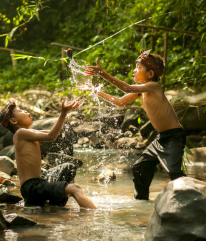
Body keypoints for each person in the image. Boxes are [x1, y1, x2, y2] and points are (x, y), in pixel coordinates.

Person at [80, 50, 186, 200]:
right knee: (139, 168)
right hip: (161, 138)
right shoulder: (140, 91)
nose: (134, 71)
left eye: (138, 68)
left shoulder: (154, 87)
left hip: (174, 137)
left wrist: (103, 74)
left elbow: (126, 88)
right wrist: (96, 91)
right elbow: (119, 101)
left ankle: (189, 199)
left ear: (150, 74)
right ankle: (142, 202)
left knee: (174, 172)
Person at [0, 99, 97, 209]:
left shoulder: (27, 133)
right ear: (13, 120)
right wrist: (63, 113)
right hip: (31, 188)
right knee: (76, 188)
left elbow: (55, 133)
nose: (26, 112)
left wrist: (66, 113)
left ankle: (57, 204)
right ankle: (96, 215)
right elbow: (51, 136)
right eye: (21, 111)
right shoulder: (21, 133)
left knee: (68, 167)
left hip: (37, 183)